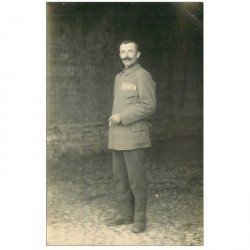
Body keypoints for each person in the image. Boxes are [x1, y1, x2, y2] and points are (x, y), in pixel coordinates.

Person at [105, 40, 156, 233]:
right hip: (117, 137)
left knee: (136, 180)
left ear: (138, 54)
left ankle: (140, 220)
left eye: (130, 51)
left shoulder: (143, 75)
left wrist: (122, 116)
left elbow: (148, 105)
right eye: (123, 52)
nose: (126, 55)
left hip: (134, 137)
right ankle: (124, 214)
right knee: (121, 179)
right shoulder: (119, 77)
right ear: (119, 55)